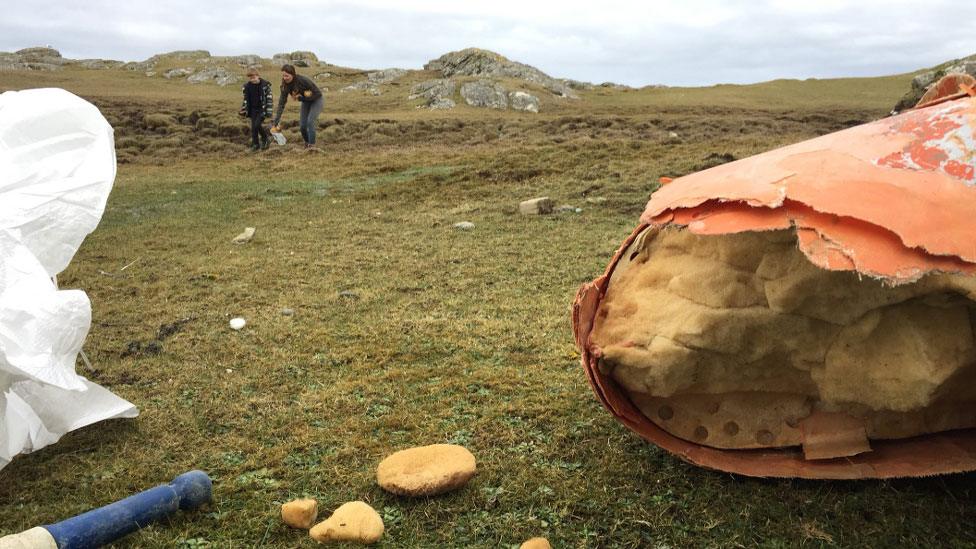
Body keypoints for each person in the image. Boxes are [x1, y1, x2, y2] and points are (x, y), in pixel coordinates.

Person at [272, 64, 324, 149]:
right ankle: (307, 143)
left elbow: (318, 93)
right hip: (305, 101)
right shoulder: (285, 86)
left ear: (293, 74)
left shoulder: (303, 80)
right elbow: (281, 103)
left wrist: (301, 98)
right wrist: (276, 121)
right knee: (302, 126)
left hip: (316, 100)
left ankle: (312, 146)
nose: (285, 78)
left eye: (287, 76)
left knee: (310, 121)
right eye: (283, 76)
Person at [239, 67, 273, 151]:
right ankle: (255, 145)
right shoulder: (247, 87)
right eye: (250, 78)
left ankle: (265, 138)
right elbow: (246, 100)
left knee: (257, 125)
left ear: (258, 76)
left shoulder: (265, 86)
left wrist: (269, 112)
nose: (252, 80)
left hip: (262, 109)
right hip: (252, 110)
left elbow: (269, 99)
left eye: (253, 77)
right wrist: (244, 109)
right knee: (253, 128)